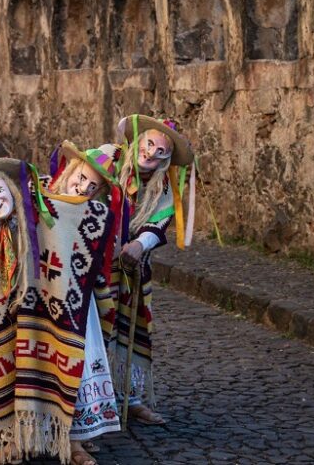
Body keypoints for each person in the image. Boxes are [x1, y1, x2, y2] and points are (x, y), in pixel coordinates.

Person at [0, 157, 114, 465]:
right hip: (6, 322)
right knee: (11, 377)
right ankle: (13, 444)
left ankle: (73, 444)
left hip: (49, 315)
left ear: (12, 189)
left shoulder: (42, 219)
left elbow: (88, 215)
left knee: (64, 372)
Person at [112, 114, 194, 426]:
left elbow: (159, 224)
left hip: (134, 271)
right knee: (98, 329)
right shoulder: (111, 163)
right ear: (138, 141)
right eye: (149, 145)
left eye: (162, 151)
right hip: (96, 267)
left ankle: (131, 398)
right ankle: (97, 400)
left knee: (134, 327)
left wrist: (139, 245)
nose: (152, 153)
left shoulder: (163, 188)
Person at [48, 141, 123, 465]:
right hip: (41, 299)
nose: (82, 188)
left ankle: (75, 440)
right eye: (80, 178)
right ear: (69, 170)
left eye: (92, 187)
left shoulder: (97, 214)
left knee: (78, 360)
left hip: (79, 302)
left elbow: (101, 259)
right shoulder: (42, 200)